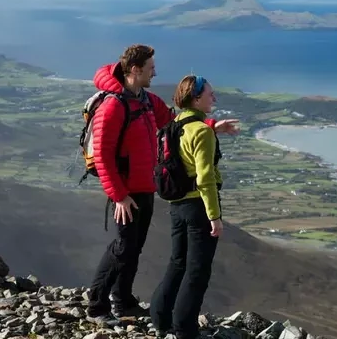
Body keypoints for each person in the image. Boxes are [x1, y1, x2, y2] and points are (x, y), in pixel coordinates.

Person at [85, 45, 238, 324]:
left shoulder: (145, 99)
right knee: (123, 246)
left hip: (145, 186)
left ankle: (123, 301)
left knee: (135, 246)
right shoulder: (113, 106)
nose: (155, 72)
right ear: (135, 69)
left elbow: (175, 124)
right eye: (151, 67)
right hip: (126, 190)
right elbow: (104, 154)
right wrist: (118, 195)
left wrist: (210, 126)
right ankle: (97, 305)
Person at [150, 75, 237, 339]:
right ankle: (185, 329)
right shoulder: (202, 132)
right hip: (198, 206)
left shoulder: (174, 125)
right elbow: (205, 178)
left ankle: (160, 318)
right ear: (196, 98)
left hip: (176, 205)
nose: (215, 98)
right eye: (211, 94)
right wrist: (215, 217)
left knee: (178, 263)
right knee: (197, 270)